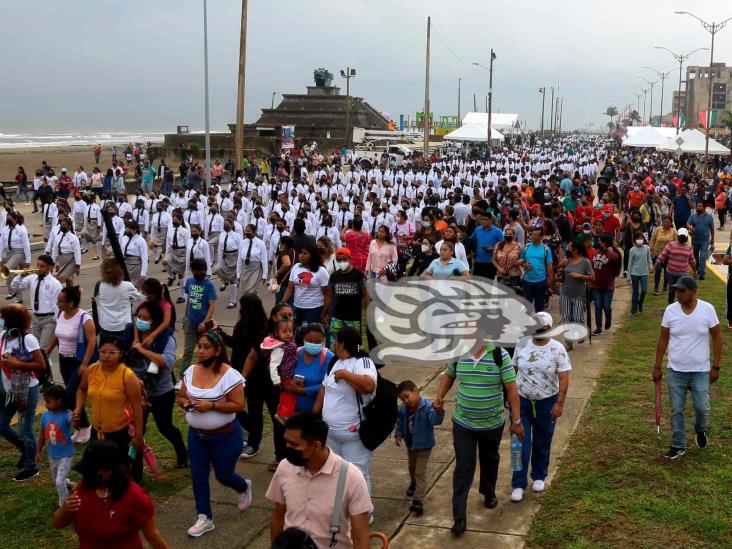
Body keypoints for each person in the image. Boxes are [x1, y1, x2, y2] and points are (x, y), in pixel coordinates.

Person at [432, 339, 523, 535]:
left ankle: (488, 491)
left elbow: (512, 391)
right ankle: (459, 517)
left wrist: (516, 421)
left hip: (492, 423)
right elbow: (449, 375)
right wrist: (439, 396)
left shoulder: (500, 355)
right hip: (463, 423)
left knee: (490, 459)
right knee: (463, 467)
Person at [177, 331, 253, 538]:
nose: (200, 351)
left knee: (223, 475)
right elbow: (181, 397)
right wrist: (186, 403)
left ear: (217, 350)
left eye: (206, 347)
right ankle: (204, 517)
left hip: (226, 437)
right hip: (197, 437)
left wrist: (211, 405)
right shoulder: (191, 371)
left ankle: (243, 486)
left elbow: (238, 404)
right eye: (199, 346)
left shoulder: (230, 375)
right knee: (198, 476)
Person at [266, 412, 372, 549]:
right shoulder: (285, 468)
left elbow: (360, 535)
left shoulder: (351, 477)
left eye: (294, 444)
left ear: (316, 445)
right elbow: (278, 516)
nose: (287, 448)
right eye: (286, 442)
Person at [52, 440, 169, 549]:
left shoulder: (135, 497)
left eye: (90, 471)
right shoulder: (83, 488)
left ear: (108, 471)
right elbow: (57, 524)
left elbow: (153, 537)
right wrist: (65, 509)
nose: (86, 475)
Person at [653, 275, 721, 460]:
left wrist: (716, 366)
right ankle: (678, 444)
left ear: (693, 291)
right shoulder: (671, 311)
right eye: (677, 290)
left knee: (701, 407)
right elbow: (663, 339)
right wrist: (657, 366)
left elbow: (717, 337)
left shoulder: (707, 309)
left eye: (682, 290)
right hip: (676, 370)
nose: (678, 294)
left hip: (700, 370)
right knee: (676, 409)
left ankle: (700, 429)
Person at [510, 312, 571, 502]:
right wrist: (509, 398)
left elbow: (563, 377)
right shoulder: (521, 344)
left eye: (542, 329)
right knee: (519, 444)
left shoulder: (558, 349)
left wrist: (559, 402)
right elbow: (513, 371)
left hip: (547, 402)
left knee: (542, 441)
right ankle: (518, 483)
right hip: (522, 402)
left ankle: (539, 475)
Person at [313, 327, 377, 495]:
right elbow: (323, 389)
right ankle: (341, 510)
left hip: (353, 433)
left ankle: (364, 513)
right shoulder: (335, 362)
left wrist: (345, 375)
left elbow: (369, 386)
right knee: (335, 474)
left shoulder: (362, 362)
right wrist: (313, 416)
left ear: (342, 344)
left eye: (336, 341)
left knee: (357, 474)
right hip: (331, 433)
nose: (333, 344)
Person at [127, 301, 188, 469]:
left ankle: (182, 454)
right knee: (138, 431)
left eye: (145, 318)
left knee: (165, 427)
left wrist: (143, 350)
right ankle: (135, 470)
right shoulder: (132, 335)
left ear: (154, 321)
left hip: (161, 392)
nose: (140, 321)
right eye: (138, 317)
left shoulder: (165, 339)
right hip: (138, 392)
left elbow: (167, 361)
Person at [74, 337, 145, 480]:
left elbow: (137, 408)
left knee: (119, 473)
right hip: (97, 431)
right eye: (103, 351)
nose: (106, 356)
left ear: (121, 354)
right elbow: (81, 389)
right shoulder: (92, 370)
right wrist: (78, 408)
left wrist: (138, 435)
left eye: (112, 353)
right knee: (94, 471)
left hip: (120, 433)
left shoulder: (128, 376)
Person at [239, 302, 291, 465]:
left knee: (278, 421)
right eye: (284, 315)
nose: (288, 318)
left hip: (277, 387)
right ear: (274, 317)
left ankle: (280, 456)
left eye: (290, 315)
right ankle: (254, 444)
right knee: (255, 415)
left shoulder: (292, 335)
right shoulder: (264, 335)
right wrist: (242, 379)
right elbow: (252, 357)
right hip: (256, 382)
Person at [0, 303, 47, 481]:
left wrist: (18, 364)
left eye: (3, 317)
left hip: (27, 389)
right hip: (10, 391)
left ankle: (31, 466)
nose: (1, 320)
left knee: (25, 429)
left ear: (12, 320)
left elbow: (40, 365)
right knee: (2, 425)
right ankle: (27, 450)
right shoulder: (4, 337)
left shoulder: (28, 339)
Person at [45, 286, 96, 443]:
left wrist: (85, 363)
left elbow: (92, 341)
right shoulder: (61, 314)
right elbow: (57, 334)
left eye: (61, 301)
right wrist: (47, 351)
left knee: (70, 394)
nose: (58, 303)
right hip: (64, 359)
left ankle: (86, 426)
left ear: (71, 303)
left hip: (78, 361)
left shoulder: (84, 318)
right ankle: (81, 427)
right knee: (73, 396)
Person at [394, 380, 444, 516]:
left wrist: (439, 411)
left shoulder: (427, 407)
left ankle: (418, 500)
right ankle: (413, 483)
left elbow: (435, 420)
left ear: (416, 391)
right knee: (412, 466)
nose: (405, 400)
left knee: (420, 471)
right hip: (411, 444)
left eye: (407, 396)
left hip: (424, 445)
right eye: (402, 399)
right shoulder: (403, 410)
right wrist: (398, 435)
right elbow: (400, 424)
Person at [36, 384, 76, 506]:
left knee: (59, 482)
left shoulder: (66, 415)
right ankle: (69, 484)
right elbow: (42, 434)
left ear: (59, 402)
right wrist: (38, 451)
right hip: (52, 454)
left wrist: (75, 419)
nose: (46, 404)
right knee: (57, 480)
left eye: (48, 402)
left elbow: (73, 421)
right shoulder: (45, 416)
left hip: (66, 454)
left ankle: (63, 505)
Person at [11, 254, 62, 350]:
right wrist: (21, 275)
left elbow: (57, 306)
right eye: (37, 265)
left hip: (49, 319)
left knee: (43, 349)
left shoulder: (55, 284)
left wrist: (58, 323)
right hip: (35, 319)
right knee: (35, 349)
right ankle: (43, 364)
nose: (38, 268)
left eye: (42, 266)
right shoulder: (32, 279)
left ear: (49, 267)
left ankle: (43, 364)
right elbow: (14, 286)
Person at [322, 247, 368, 347]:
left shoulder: (358, 275)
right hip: (337, 317)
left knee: (355, 345)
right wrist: (324, 312)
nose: (342, 262)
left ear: (349, 259)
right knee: (335, 344)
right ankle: (335, 361)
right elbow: (329, 296)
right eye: (339, 260)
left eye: (345, 259)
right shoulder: (334, 276)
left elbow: (365, 294)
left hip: (354, 318)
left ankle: (357, 360)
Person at [180, 258, 218, 376]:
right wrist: (185, 317)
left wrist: (205, 322)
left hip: (204, 323)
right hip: (191, 321)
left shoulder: (209, 285)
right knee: (188, 350)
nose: (199, 274)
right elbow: (189, 300)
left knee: (205, 351)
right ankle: (184, 375)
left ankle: (206, 372)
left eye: (201, 271)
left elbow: (212, 305)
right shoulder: (190, 281)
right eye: (196, 271)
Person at [282, 242, 331, 326]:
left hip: (314, 309)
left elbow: (327, 294)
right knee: (296, 332)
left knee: (308, 334)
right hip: (297, 307)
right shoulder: (296, 267)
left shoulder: (321, 271)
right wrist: (282, 303)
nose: (301, 255)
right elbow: (290, 288)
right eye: (301, 253)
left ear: (313, 255)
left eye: (305, 253)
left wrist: (325, 312)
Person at [94, 258, 144, 340]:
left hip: (105, 325)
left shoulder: (101, 285)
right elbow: (141, 300)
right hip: (123, 326)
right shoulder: (127, 286)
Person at [260, 318, 298, 423]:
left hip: (290, 373)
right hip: (286, 376)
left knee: (285, 395)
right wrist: (276, 380)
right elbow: (272, 365)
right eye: (284, 331)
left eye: (290, 331)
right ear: (277, 333)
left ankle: (281, 412)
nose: (288, 334)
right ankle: (284, 414)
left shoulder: (288, 342)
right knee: (290, 395)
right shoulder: (279, 348)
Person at [558, 240, 593, 350]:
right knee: (566, 317)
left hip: (578, 294)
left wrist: (580, 275)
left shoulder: (585, 262)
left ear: (576, 249)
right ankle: (568, 342)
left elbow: (592, 277)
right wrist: (561, 266)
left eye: (570, 247)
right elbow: (559, 269)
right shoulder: (567, 260)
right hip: (565, 292)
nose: (568, 248)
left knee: (578, 317)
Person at [291, 323, 333, 412]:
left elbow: (327, 384)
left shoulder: (328, 357)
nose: (313, 344)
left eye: (318, 342)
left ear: (323, 341)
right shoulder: (295, 353)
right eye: (309, 341)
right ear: (303, 339)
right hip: (293, 409)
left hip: (318, 412)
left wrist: (303, 390)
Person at [590, 234, 621, 335]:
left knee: (606, 307)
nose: (599, 243)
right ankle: (598, 327)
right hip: (595, 285)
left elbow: (617, 264)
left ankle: (608, 316)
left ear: (606, 243)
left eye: (602, 241)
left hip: (608, 286)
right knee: (598, 305)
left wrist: (613, 250)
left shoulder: (612, 254)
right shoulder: (596, 252)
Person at [655, 228, 696, 305]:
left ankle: (682, 306)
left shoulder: (689, 247)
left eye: (684, 236)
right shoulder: (671, 245)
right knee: (671, 291)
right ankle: (670, 305)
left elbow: (692, 261)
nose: (682, 238)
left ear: (687, 237)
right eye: (681, 236)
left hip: (684, 273)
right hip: (671, 273)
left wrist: (695, 272)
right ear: (677, 236)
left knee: (683, 291)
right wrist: (655, 267)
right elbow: (662, 256)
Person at [518, 227, 554, 313]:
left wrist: (550, 279)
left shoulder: (546, 249)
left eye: (536, 235)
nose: (533, 236)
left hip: (541, 281)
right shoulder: (526, 247)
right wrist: (524, 264)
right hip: (527, 280)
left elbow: (549, 266)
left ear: (541, 237)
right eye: (532, 234)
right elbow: (520, 260)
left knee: (539, 305)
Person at [0, 210, 31, 299]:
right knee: (11, 274)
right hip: (8, 252)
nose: (8, 221)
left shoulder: (21, 230)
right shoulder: (4, 230)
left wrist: (28, 260)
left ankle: (13, 292)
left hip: (19, 252)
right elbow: (1, 244)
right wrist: (1, 258)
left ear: (15, 219)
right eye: (7, 219)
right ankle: (18, 296)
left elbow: (26, 245)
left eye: (10, 219)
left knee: (7, 269)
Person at [215, 217, 242, 308]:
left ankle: (233, 301)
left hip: (233, 257)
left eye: (227, 225)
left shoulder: (236, 235)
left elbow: (240, 249)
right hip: (224, 256)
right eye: (224, 225)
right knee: (218, 269)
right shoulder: (221, 235)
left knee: (233, 280)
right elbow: (220, 248)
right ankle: (225, 281)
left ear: (231, 225)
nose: (225, 226)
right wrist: (219, 260)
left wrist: (239, 261)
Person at [468, 213, 504, 279]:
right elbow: (471, 240)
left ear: (490, 220)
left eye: (486, 220)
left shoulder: (498, 232)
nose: (483, 221)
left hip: (491, 263)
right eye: (482, 219)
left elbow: (503, 247)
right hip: (478, 261)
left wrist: (493, 249)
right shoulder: (477, 230)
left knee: (488, 286)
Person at [237, 224, 269, 296]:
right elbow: (239, 260)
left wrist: (265, 275)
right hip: (244, 269)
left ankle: (254, 305)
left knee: (252, 291)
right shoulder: (242, 243)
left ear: (254, 232)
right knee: (245, 291)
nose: (246, 233)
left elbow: (264, 260)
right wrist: (238, 275)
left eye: (249, 231)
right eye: (245, 231)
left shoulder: (261, 243)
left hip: (256, 269)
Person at [627, 231, 654, 316]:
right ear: (635, 240)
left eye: (641, 238)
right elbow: (630, 263)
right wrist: (628, 276)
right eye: (638, 238)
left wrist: (651, 268)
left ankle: (640, 303)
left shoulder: (647, 248)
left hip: (644, 273)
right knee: (635, 292)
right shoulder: (632, 250)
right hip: (634, 273)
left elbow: (649, 259)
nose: (640, 240)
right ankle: (633, 311)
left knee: (644, 290)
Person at [649, 216, 677, 296]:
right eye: (664, 222)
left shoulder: (674, 231)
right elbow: (653, 239)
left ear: (671, 223)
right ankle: (656, 288)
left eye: (668, 222)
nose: (666, 223)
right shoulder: (658, 230)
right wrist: (651, 249)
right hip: (658, 254)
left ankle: (665, 286)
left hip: (669, 255)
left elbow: (676, 242)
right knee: (658, 270)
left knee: (667, 271)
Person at [687, 202, 714, 280]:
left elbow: (712, 229)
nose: (697, 208)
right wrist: (690, 228)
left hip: (705, 240)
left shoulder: (709, 217)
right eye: (697, 206)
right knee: (695, 257)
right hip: (695, 240)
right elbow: (688, 223)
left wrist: (712, 239)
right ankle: (696, 270)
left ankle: (701, 273)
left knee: (702, 256)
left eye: (699, 206)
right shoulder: (693, 216)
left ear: (704, 208)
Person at [272, 235, 295, 304]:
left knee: (280, 304)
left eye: (280, 243)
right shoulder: (293, 252)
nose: (279, 244)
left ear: (284, 244)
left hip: (283, 283)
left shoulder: (284, 253)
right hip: (290, 282)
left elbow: (287, 263)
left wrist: (277, 273)